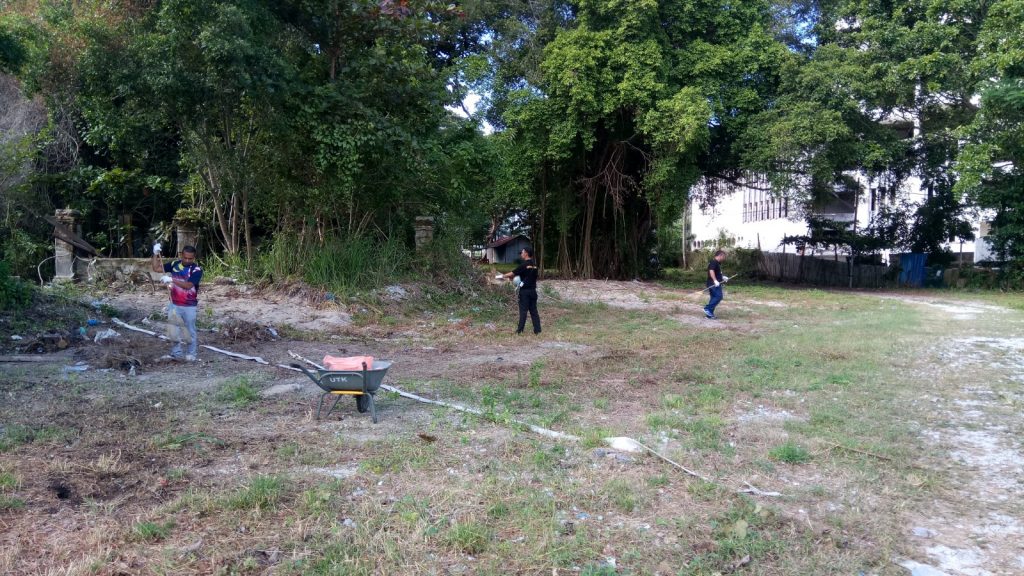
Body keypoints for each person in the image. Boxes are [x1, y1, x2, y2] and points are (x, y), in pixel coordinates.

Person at [151, 244, 203, 361]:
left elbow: (188, 286)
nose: (188, 260)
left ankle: (191, 354)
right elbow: (156, 268)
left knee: (190, 331)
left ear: (194, 258)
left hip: (189, 306)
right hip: (174, 304)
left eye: (190, 258)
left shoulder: (196, 270)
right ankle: (176, 354)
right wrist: (155, 254)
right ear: (181, 256)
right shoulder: (175, 264)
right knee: (173, 332)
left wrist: (171, 279)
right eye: (185, 258)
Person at [501, 246, 541, 335]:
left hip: (525, 292)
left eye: (522, 252)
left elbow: (512, 273)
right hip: (533, 291)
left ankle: (520, 330)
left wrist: (501, 276)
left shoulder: (524, 265)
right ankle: (537, 330)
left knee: (523, 311)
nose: (521, 254)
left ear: (526, 253)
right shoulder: (535, 265)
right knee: (534, 311)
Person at [704, 250, 728, 319]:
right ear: (720, 255)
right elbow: (711, 271)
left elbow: (717, 273)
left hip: (714, 283)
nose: (724, 258)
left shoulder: (717, 263)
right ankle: (707, 308)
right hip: (713, 284)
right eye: (724, 257)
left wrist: (722, 277)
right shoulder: (714, 262)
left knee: (713, 297)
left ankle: (709, 315)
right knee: (718, 296)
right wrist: (715, 280)